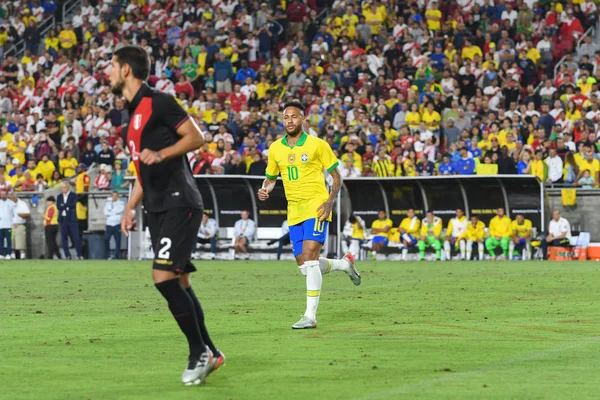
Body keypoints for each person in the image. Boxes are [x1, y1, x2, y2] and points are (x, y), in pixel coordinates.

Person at [112, 45, 222, 385]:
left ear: (126, 70)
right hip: (157, 207)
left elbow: (196, 137)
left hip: (180, 201)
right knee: (180, 281)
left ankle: (197, 353)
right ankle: (212, 353)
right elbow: (142, 171)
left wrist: (161, 153)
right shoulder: (130, 117)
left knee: (163, 277)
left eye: (112, 67)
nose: (109, 73)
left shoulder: (157, 101)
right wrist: (130, 208)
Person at [257, 100, 361, 330]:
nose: (290, 121)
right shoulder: (276, 148)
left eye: (294, 117)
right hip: (294, 210)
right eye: (286, 117)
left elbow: (336, 176)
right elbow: (271, 178)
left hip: (317, 206)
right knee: (304, 264)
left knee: (311, 257)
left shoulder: (317, 145)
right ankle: (344, 265)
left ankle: (310, 316)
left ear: (303, 119)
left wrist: (329, 201)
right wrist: (265, 189)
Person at [57, 181, 83, 259]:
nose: (63, 189)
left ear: (68, 188)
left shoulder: (73, 195)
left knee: (76, 237)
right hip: (63, 219)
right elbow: (59, 206)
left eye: (64, 187)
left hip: (72, 219)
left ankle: (79, 254)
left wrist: (64, 206)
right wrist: (66, 206)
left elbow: (72, 205)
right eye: (62, 188)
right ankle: (67, 255)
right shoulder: (59, 196)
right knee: (64, 238)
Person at [104, 191, 124, 260]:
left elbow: (120, 210)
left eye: (116, 195)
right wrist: (113, 212)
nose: (114, 197)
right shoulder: (108, 203)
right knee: (106, 239)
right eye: (113, 195)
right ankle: (107, 255)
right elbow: (105, 212)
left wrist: (111, 212)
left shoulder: (121, 203)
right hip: (109, 224)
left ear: (117, 196)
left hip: (117, 224)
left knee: (117, 241)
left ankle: (116, 256)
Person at [9, 192, 30, 259]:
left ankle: (22, 255)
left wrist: (20, 215)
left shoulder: (22, 204)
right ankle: (12, 255)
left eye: (13, 198)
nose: (12, 200)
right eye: (11, 198)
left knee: (20, 241)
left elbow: (28, 214)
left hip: (19, 224)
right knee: (11, 241)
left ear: (16, 197)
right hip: (10, 225)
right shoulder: (8, 203)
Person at [0, 189, 14, 259]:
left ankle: (9, 254)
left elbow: (14, 214)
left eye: (4, 194)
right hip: (0, 225)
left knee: (8, 240)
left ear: (7, 195)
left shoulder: (11, 203)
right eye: (1, 194)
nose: (3, 196)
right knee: (0, 240)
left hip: (9, 225)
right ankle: (1, 254)